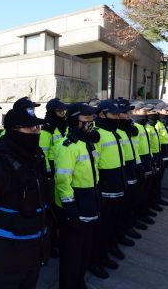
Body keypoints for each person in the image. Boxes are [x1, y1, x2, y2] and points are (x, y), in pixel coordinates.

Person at [0, 97, 51, 289]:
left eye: (38, 128)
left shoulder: (36, 156)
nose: (36, 132)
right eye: (30, 129)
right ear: (14, 130)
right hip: (9, 254)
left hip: (35, 249)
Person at [54, 102, 100, 289]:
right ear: (74, 120)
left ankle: (79, 282)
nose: (91, 121)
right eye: (86, 118)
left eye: (92, 118)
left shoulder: (86, 141)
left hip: (89, 202)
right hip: (75, 207)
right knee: (71, 254)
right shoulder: (67, 146)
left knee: (84, 251)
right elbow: (63, 182)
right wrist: (71, 211)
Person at [89, 100, 129, 279]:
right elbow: (92, 165)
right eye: (113, 114)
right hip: (104, 191)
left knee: (113, 223)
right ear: (103, 114)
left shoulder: (113, 132)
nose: (117, 117)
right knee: (101, 229)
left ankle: (109, 250)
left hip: (117, 186)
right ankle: (96, 260)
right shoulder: (96, 134)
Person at [40, 98, 68, 258]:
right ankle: (52, 244)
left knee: (60, 209)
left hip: (63, 171)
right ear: (51, 112)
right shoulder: (47, 129)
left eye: (64, 111)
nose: (62, 114)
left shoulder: (63, 127)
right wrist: (48, 173)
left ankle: (59, 240)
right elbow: (43, 153)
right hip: (52, 174)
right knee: (52, 212)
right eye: (59, 111)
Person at [115, 98, 143, 240]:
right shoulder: (116, 129)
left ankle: (128, 225)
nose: (129, 114)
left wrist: (138, 164)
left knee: (131, 199)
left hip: (131, 167)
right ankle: (122, 230)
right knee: (123, 205)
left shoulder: (127, 127)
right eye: (126, 112)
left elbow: (133, 147)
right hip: (121, 170)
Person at [130, 102, 156, 225]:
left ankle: (143, 212)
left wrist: (151, 157)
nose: (146, 112)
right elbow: (134, 149)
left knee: (145, 190)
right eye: (142, 110)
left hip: (146, 160)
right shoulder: (135, 125)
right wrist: (139, 164)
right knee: (139, 192)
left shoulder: (142, 125)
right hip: (140, 163)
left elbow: (147, 145)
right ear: (134, 112)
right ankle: (137, 217)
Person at [154, 102, 168, 206]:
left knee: (158, 180)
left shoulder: (162, 123)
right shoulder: (156, 124)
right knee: (155, 181)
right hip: (159, 157)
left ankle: (157, 199)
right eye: (166, 110)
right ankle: (154, 201)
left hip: (164, 157)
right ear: (158, 111)